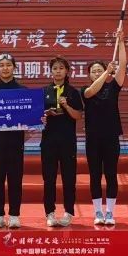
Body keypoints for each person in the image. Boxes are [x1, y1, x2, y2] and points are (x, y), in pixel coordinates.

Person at [82, 29, 127, 226]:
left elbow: (123, 65)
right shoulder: (85, 90)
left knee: (110, 174)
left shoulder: (113, 87)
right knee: (95, 175)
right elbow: (91, 91)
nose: (97, 73)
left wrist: (121, 42)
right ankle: (97, 212)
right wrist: (106, 73)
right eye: (94, 71)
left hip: (111, 138)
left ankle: (110, 212)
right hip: (93, 139)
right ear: (89, 75)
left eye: (100, 70)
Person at [0, 53, 27, 229]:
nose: (5, 68)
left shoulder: (23, 91)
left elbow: (30, 115)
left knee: (15, 178)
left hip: (16, 141)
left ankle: (15, 214)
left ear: (14, 68)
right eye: (1, 65)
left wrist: (38, 118)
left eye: (8, 65)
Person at [41, 56, 84, 227]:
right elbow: (37, 116)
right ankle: (50, 213)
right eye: (55, 68)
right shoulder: (44, 91)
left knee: (69, 178)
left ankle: (68, 212)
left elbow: (78, 116)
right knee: (49, 178)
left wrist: (66, 106)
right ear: (50, 71)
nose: (58, 71)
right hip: (48, 141)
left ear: (67, 71)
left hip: (67, 141)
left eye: (61, 68)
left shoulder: (73, 92)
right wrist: (44, 115)